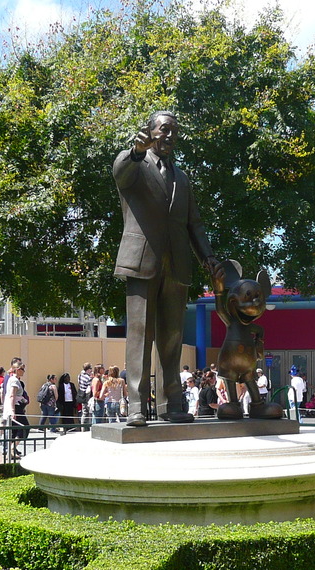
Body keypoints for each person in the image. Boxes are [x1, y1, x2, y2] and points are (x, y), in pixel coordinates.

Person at [114, 111, 221, 426]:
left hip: (176, 265)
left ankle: (171, 404)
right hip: (141, 261)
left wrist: (208, 257)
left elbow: (194, 224)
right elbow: (120, 173)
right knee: (139, 336)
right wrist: (135, 152)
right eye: (165, 129)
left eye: (175, 131)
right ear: (149, 132)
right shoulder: (135, 164)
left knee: (172, 338)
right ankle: (136, 405)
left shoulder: (183, 177)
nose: (170, 136)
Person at [2, 361, 30, 456]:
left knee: (14, 431)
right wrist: (13, 411)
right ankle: (12, 448)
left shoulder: (12, 379)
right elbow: (12, 396)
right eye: (22, 369)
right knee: (25, 427)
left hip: (15, 407)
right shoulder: (14, 380)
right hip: (15, 408)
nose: (24, 371)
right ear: (17, 370)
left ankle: (11, 452)